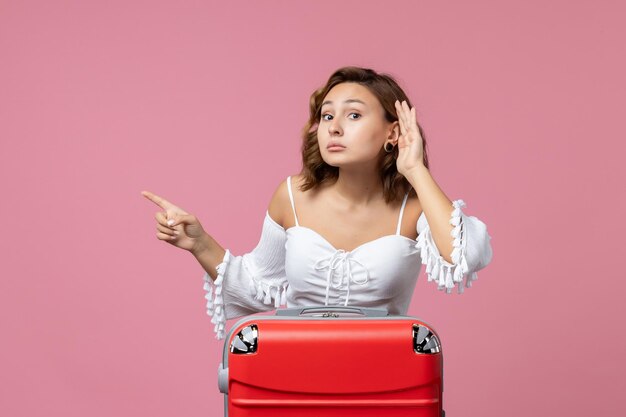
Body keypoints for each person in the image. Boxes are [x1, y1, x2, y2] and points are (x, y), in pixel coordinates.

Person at [142, 66, 493, 340]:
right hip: (295, 371)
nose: (334, 127)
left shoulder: (414, 207)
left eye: (353, 115)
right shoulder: (292, 196)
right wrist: (199, 243)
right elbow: (256, 289)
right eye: (327, 116)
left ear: (393, 132)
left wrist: (415, 170)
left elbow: (465, 257)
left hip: (384, 376)